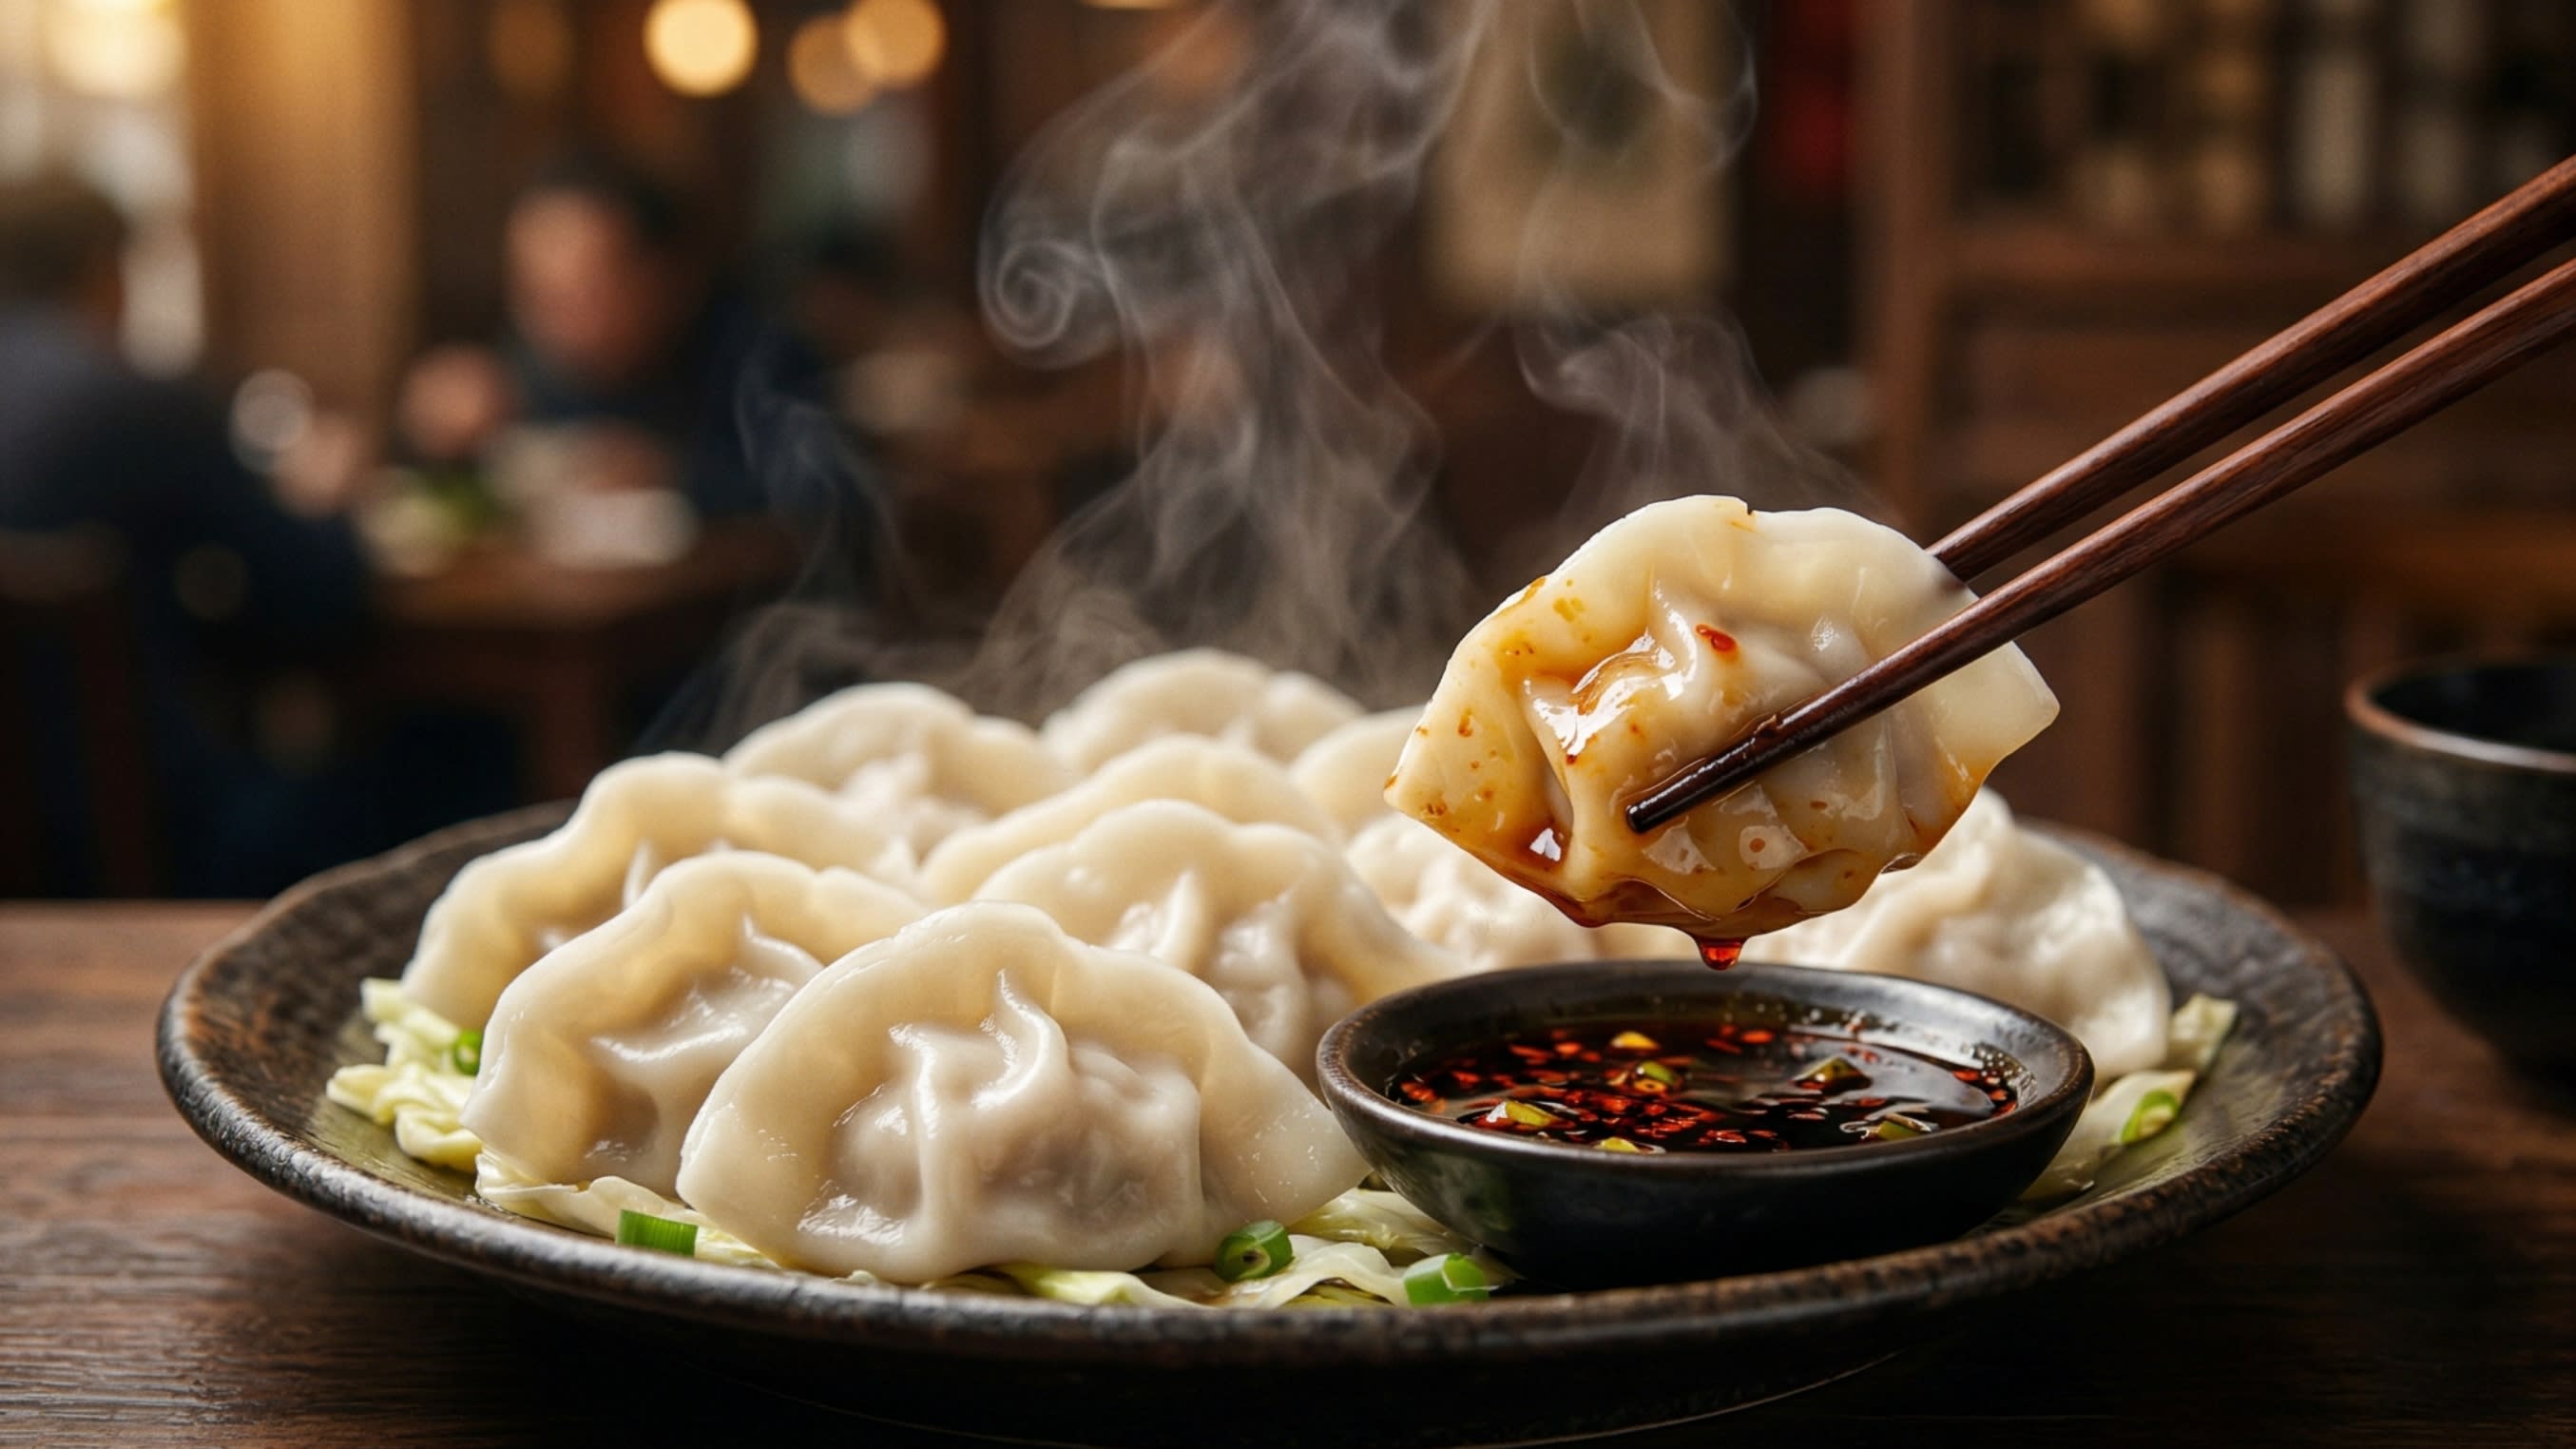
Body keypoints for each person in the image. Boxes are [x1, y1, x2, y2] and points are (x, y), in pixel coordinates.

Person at [0, 173, 504, 896]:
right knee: (444, 761)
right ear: (103, 271)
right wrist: (326, 498)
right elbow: (321, 593)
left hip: (28, 861)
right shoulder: (130, 399)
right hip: (154, 835)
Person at [398, 152, 817, 521]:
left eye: (585, 293)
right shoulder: (523, 370)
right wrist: (434, 435)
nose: (553, 323)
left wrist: (671, 475)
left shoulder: (758, 358)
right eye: (535, 295)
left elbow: (824, 491)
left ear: (659, 280)